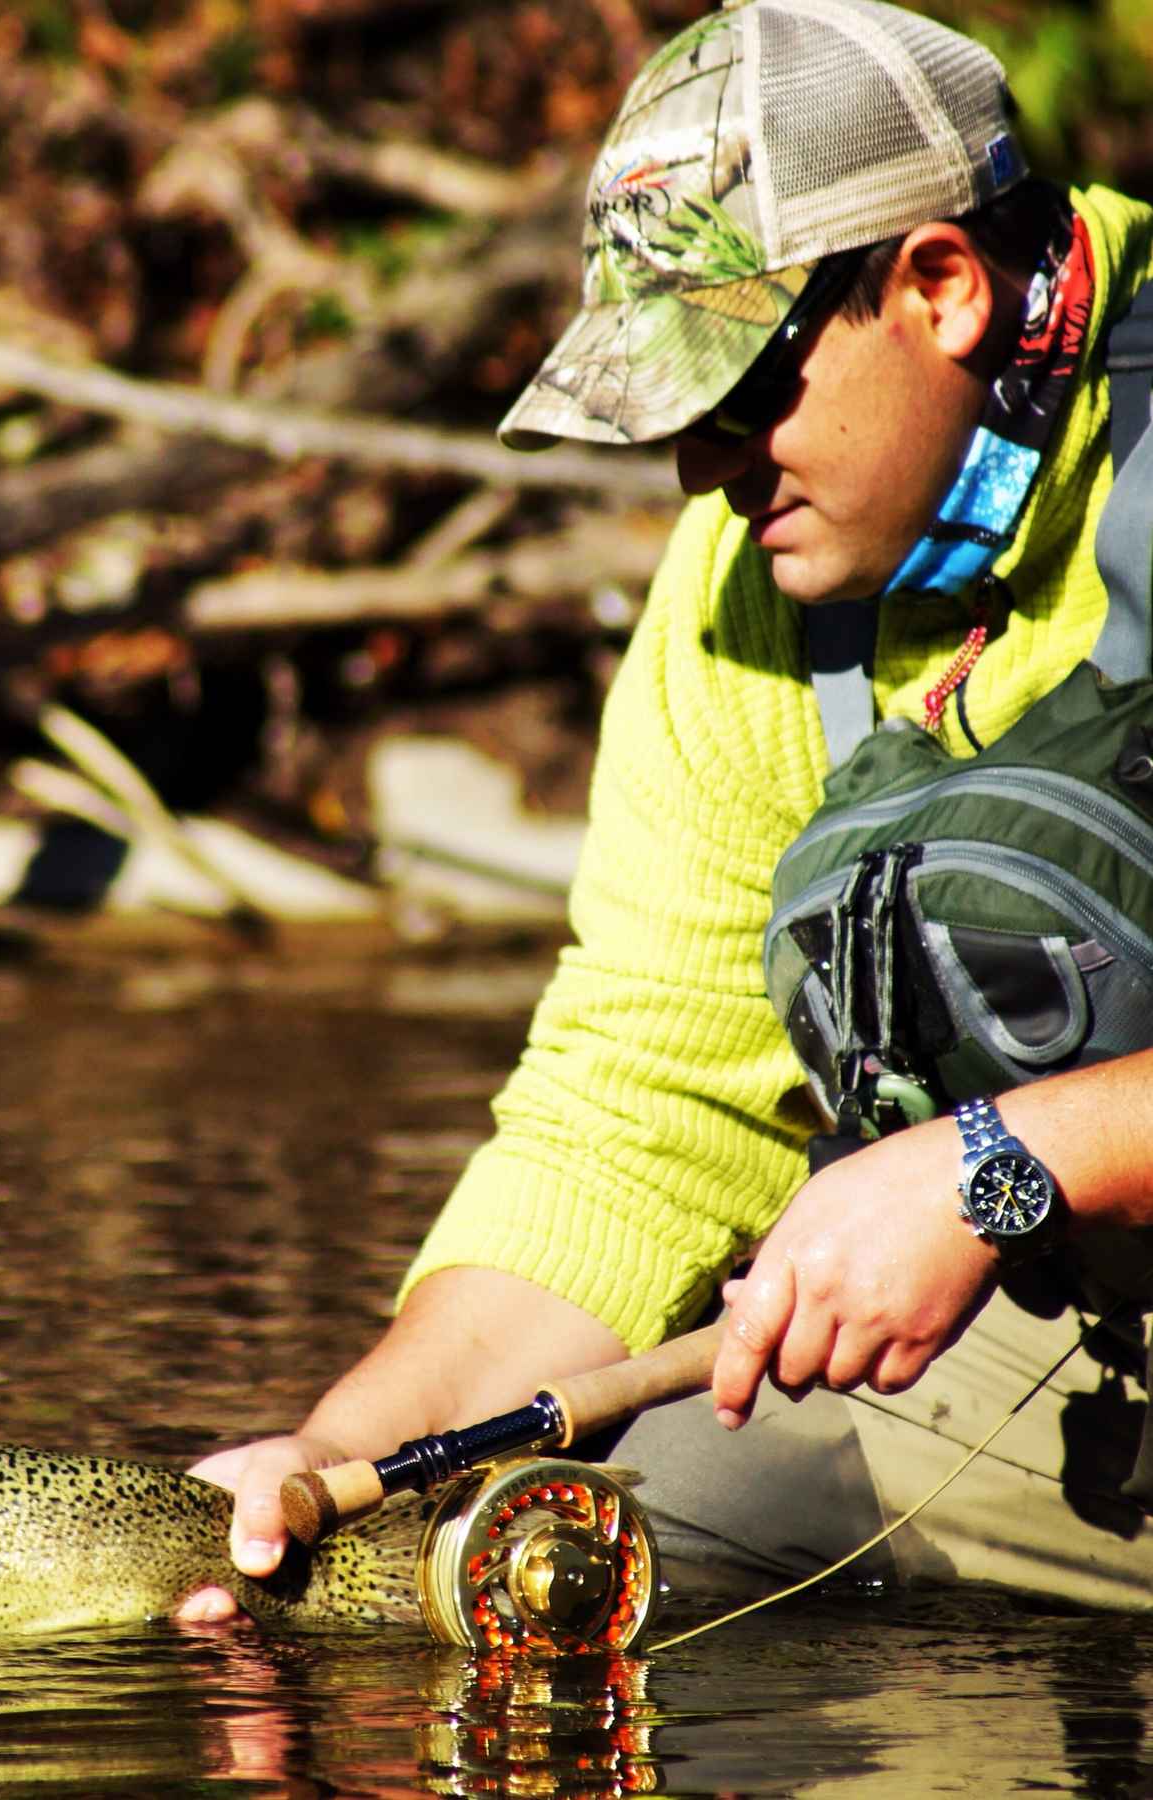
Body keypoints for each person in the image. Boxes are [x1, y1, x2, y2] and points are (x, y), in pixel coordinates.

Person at [179, 0, 1153, 1623]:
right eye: (673, 420)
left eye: (737, 392)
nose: (705, 472)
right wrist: (334, 1463)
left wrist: (1001, 1160)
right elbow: (639, 1117)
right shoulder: (751, 583)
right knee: (526, 1568)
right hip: (1070, 1354)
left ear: (939, 287)